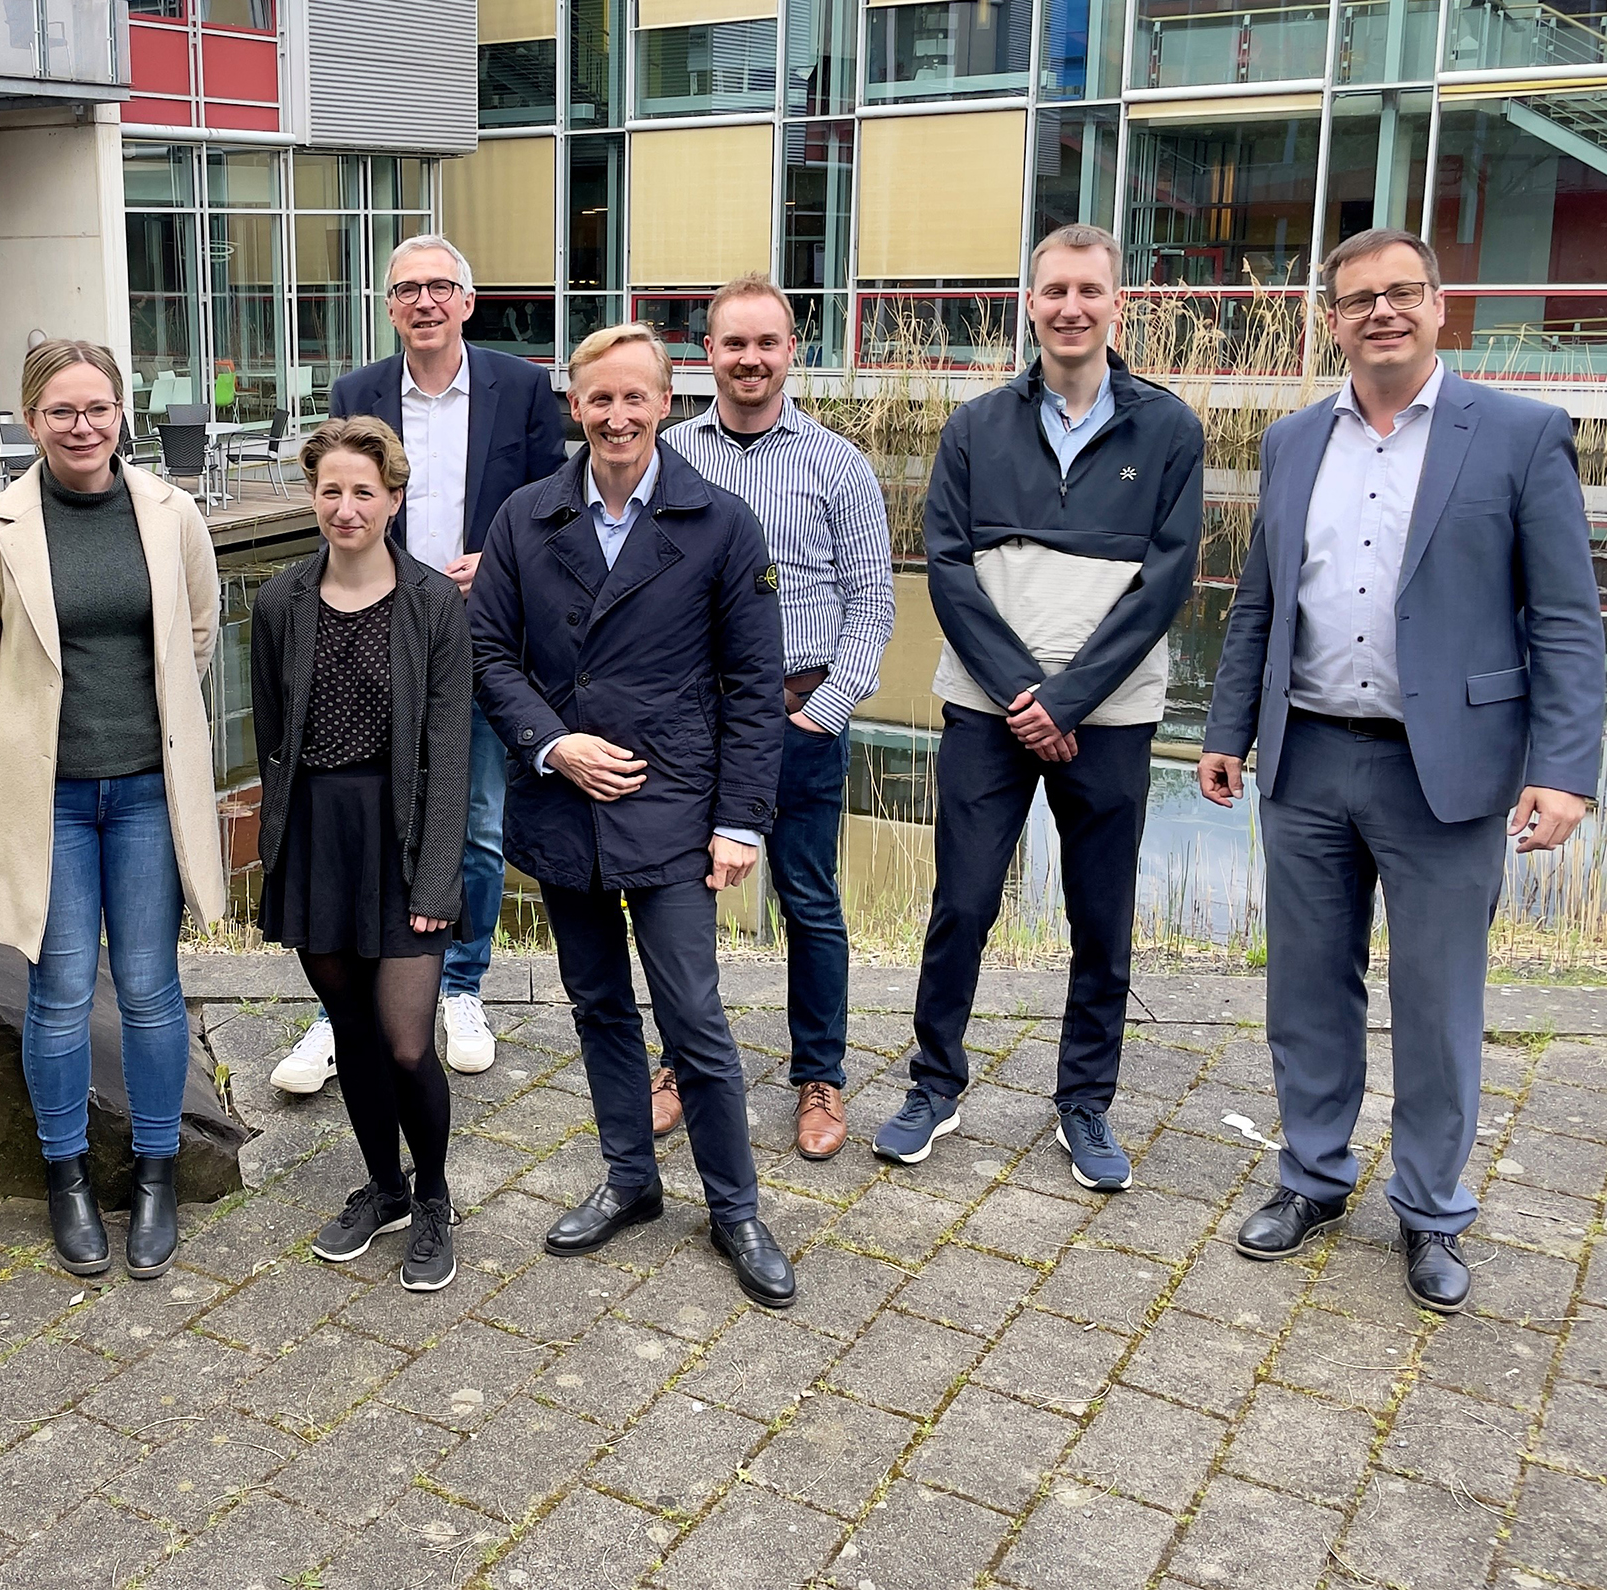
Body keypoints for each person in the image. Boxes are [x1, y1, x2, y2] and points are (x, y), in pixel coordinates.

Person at [1200, 228, 1604, 1314]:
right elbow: (1259, 602)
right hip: (1307, 757)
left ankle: (1430, 1208)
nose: (1381, 311)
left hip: (1448, 771)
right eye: (1358, 299)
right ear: (1331, 320)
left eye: (1401, 293)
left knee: (1437, 1000)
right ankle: (1313, 1177)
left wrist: (1566, 771)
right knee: (1305, 989)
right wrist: (1227, 730)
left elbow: (1567, 620)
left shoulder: (1518, 435)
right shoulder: (1292, 441)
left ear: (1438, 306)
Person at [467, 323, 796, 1310]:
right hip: (563, 803)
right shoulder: (525, 518)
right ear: (575, 405)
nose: (617, 416)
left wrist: (740, 821)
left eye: (634, 397)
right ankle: (630, 1178)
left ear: (664, 402)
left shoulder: (721, 523)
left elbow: (753, 685)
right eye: (599, 399)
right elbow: (488, 654)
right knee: (599, 1003)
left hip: (673, 806)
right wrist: (551, 743)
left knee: (693, 1015)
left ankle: (735, 1208)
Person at [873, 224, 1204, 1193]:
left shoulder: (1169, 429)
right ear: (1031, 303)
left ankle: (1085, 1103)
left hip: (1111, 714)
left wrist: (1068, 698)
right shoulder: (976, 426)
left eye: (1089, 291)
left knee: (1102, 919)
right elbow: (947, 569)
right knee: (963, 904)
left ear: (1117, 303)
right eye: (1054, 290)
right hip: (988, 712)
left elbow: (1165, 581)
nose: (1070, 307)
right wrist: (1025, 696)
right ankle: (935, 1085)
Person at [0, 338, 225, 1281]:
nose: (82, 426)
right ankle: (64, 1175)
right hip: (52, 800)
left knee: (148, 988)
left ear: (120, 411)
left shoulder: (171, 514)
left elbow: (195, 633)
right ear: (31, 419)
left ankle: (156, 1171)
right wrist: (30, 745)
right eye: (61, 411)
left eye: (97, 407)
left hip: (146, 791)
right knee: (60, 991)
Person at [269, 233, 565, 1093]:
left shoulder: (521, 388)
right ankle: (342, 1006)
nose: (424, 301)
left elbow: (553, 509)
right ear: (390, 307)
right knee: (358, 813)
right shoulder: (357, 392)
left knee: (475, 819)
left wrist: (500, 562)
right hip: (370, 635)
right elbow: (345, 501)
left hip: (480, 634)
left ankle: (462, 986)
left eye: (440, 286)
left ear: (467, 302)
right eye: (407, 289)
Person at [666, 273, 894, 1159]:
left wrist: (826, 711)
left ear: (792, 350)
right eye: (734, 343)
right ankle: (681, 1063)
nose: (750, 359)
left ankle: (819, 1076)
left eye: (767, 343)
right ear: (709, 353)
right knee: (683, 898)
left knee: (809, 898)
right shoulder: (669, 456)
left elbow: (871, 602)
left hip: (800, 714)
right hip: (696, 721)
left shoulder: (838, 463)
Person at [252, 417, 472, 1292]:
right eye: (331, 490)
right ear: (313, 496)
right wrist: (279, 843)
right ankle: (384, 1188)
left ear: (394, 499)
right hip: (317, 836)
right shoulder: (280, 601)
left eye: (364, 492)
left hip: (403, 833)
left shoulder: (433, 603)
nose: (346, 507)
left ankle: (434, 1198)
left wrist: (437, 881)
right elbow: (274, 735)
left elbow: (450, 752)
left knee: (408, 1043)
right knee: (350, 1030)